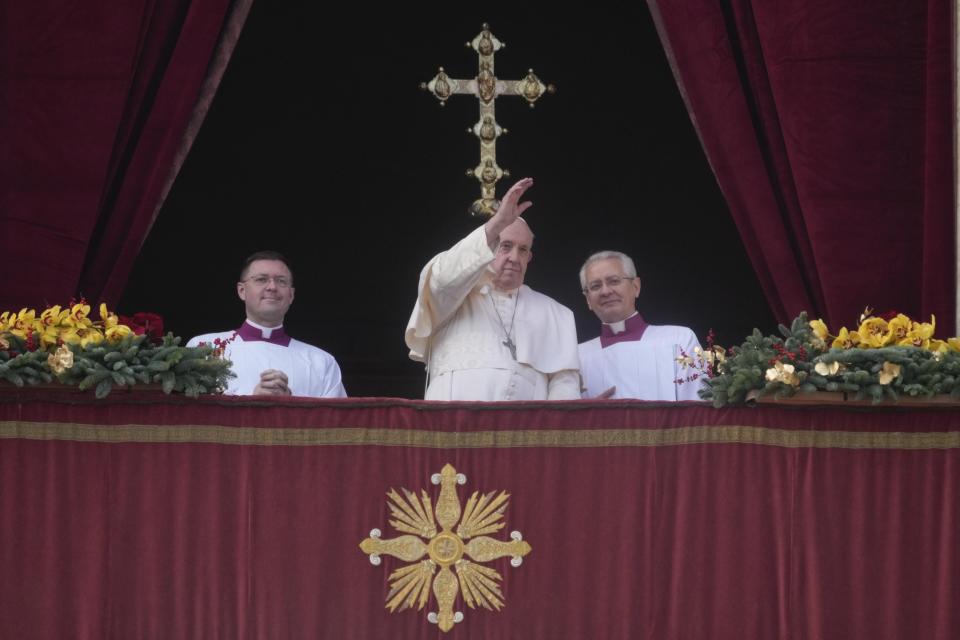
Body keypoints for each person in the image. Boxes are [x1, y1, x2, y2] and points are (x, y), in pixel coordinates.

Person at [405, 177, 580, 400]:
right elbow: (442, 279)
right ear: (487, 247)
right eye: (505, 246)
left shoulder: (555, 313)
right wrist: (496, 224)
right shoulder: (453, 296)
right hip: (452, 425)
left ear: (530, 257)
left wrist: (555, 431)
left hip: (526, 431)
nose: (514, 258)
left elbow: (565, 385)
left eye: (523, 250)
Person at [187, 251, 346, 398]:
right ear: (242, 290)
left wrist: (290, 403)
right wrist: (251, 402)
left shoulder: (321, 362)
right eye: (261, 279)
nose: (272, 287)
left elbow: (337, 425)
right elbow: (189, 417)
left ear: (291, 295)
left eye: (281, 281)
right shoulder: (204, 348)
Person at [577, 250, 702, 401]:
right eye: (595, 286)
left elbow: (699, 411)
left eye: (614, 281)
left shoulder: (679, 339)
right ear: (588, 300)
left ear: (636, 286)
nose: (605, 291)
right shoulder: (577, 357)